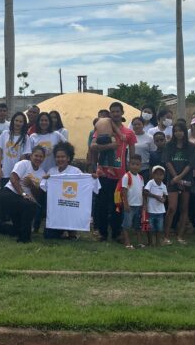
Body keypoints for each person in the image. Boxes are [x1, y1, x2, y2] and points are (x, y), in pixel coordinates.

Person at [89, 101, 136, 243]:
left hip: (120, 176)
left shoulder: (128, 132)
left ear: (122, 113)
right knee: (102, 204)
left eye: (118, 111)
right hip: (103, 174)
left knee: (118, 205)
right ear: (110, 114)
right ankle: (102, 233)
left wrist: (130, 172)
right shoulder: (102, 129)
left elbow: (132, 155)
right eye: (113, 111)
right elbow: (93, 147)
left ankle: (116, 233)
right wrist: (109, 146)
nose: (115, 114)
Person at [0, 146, 43, 243]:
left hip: (23, 201)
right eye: (36, 155)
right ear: (31, 156)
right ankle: (24, 239)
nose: (38, 158)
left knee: (17, 229)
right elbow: (13, 179)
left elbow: (37, 195)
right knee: (30, 206)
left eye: (41, 157)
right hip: (9, 194)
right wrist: (23, 194)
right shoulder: (23, 164)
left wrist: (31, 185)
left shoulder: (42, 173)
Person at [38, 141, 86, 240]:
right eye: (58, 157)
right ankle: (62, 232)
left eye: (63, 157)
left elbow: (84, 184)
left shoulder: (76, 171)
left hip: (70, 208)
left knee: (70, 231)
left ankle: (72, 232)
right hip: (56, 211)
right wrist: (45, 179)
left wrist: (92, 177)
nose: (60, 159)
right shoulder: (51, 171)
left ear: (68, 158)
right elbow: (44, 188)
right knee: (48, 236)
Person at [161, 120, 195, 244]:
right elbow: (167, 161)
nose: (178, 133)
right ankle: (165, 236)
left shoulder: (191, 147)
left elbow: (191, 164)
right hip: (172, 180)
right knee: (171, 207)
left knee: (184, 208)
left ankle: (180, 236)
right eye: (175, 131)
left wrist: (180, 177)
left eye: (180, 130)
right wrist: (175, 177)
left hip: (186, 179)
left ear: (184, 132)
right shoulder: (169, 146)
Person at [0, 111, 30, 194]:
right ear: (13, 121)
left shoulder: (25, 137)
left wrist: (20, 172)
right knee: (4, 196)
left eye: (21, 121)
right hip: (5, 172)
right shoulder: (5, 134)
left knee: (16, 196)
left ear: (23, 123)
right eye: (16, 120)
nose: (18, 123)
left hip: (17, 174)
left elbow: (23, 157)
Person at [120, 154, 145, 249]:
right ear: (129, 164)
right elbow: (124, 191)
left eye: (137, 164)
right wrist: (126, 204)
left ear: (140, 165)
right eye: (133, 164)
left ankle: (139, 242)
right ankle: (127, 243)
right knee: (126, 225)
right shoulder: (126, 176)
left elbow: (141, 192)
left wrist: (143, 204)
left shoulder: (141, 178)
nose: (135, 166)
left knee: (137, 226)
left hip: (138, 205)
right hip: (129, 205)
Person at [144, 165, 168, 246]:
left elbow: (165, 196)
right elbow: (145, 192)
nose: (158, 176)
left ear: (163, 176)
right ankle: (150, 242)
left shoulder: (163, 186)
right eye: (157, 174)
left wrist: (163, 200)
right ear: (153, 175)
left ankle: (158, 242)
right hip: (151, 209)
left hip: (160, 210)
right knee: (150, 228)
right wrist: (156, 196)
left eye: (161, 174)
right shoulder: (151, 182)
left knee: (159, 228)